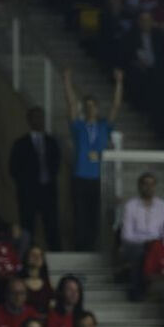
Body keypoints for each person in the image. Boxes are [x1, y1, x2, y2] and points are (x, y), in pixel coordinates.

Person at [63, 68, 123, 250]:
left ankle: (93, 246)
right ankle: (80, 246)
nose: (90, 108)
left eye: (93, 105)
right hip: (80, 175)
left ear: (97, 108)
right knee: (80, 214)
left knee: (95, 214)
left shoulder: (104, 126)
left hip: (98, 177)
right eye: (87, 105)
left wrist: (119, 83)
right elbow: (71, 104)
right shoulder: (78, 126)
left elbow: (115, 106)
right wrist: (66, 80)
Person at [9, 107, 62, 250]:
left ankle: (56, 254)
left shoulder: (51, 142)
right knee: (28, 226)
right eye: (35, 117)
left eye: (41, 117)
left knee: (51, 225)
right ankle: (26, 257)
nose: (38, 120)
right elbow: (13, 169)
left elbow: (56, 164)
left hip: (48, 191)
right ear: (29, 120)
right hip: (28, 192)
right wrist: (27, 183)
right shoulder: (20, 144)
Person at [118, 173, 164, 301]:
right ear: (139, 186)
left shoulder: (162, 206)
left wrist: (155, 243)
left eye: (151, 184)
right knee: (140, 252)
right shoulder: (130, 206)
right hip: (134, 245)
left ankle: (144, 287)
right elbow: (127, 235)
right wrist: (146, 242)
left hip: (156, 244)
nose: (148, 187)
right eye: (145, 184)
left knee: (155, 250)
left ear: (155, 187)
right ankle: (136, 290)